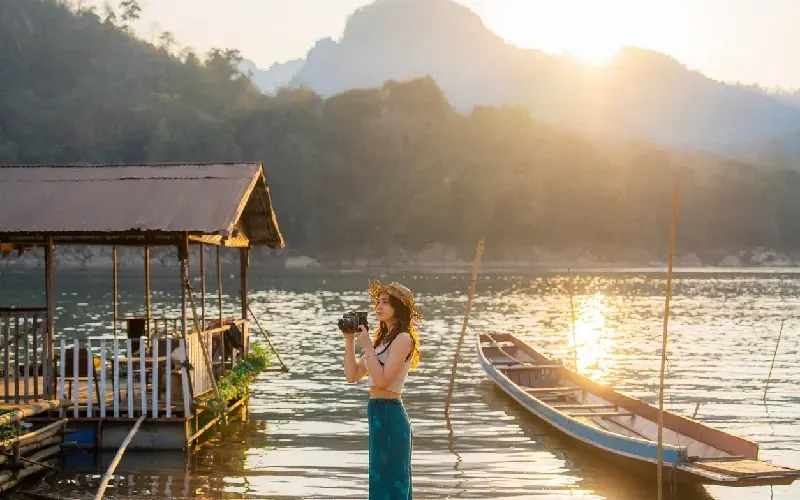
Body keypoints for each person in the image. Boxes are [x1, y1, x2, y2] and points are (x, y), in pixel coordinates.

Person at [343, 279, 421, 499]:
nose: (378, 307)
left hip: (391, 413)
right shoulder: (380, 341)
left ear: (398, 307)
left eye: (385, 302)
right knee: (378, 483)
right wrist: (349, 341)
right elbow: (352, 376)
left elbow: (384, 381)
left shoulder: (404, 339)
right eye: (378, 302)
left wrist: (367, 347)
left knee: (393, 484)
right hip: (376, 412)